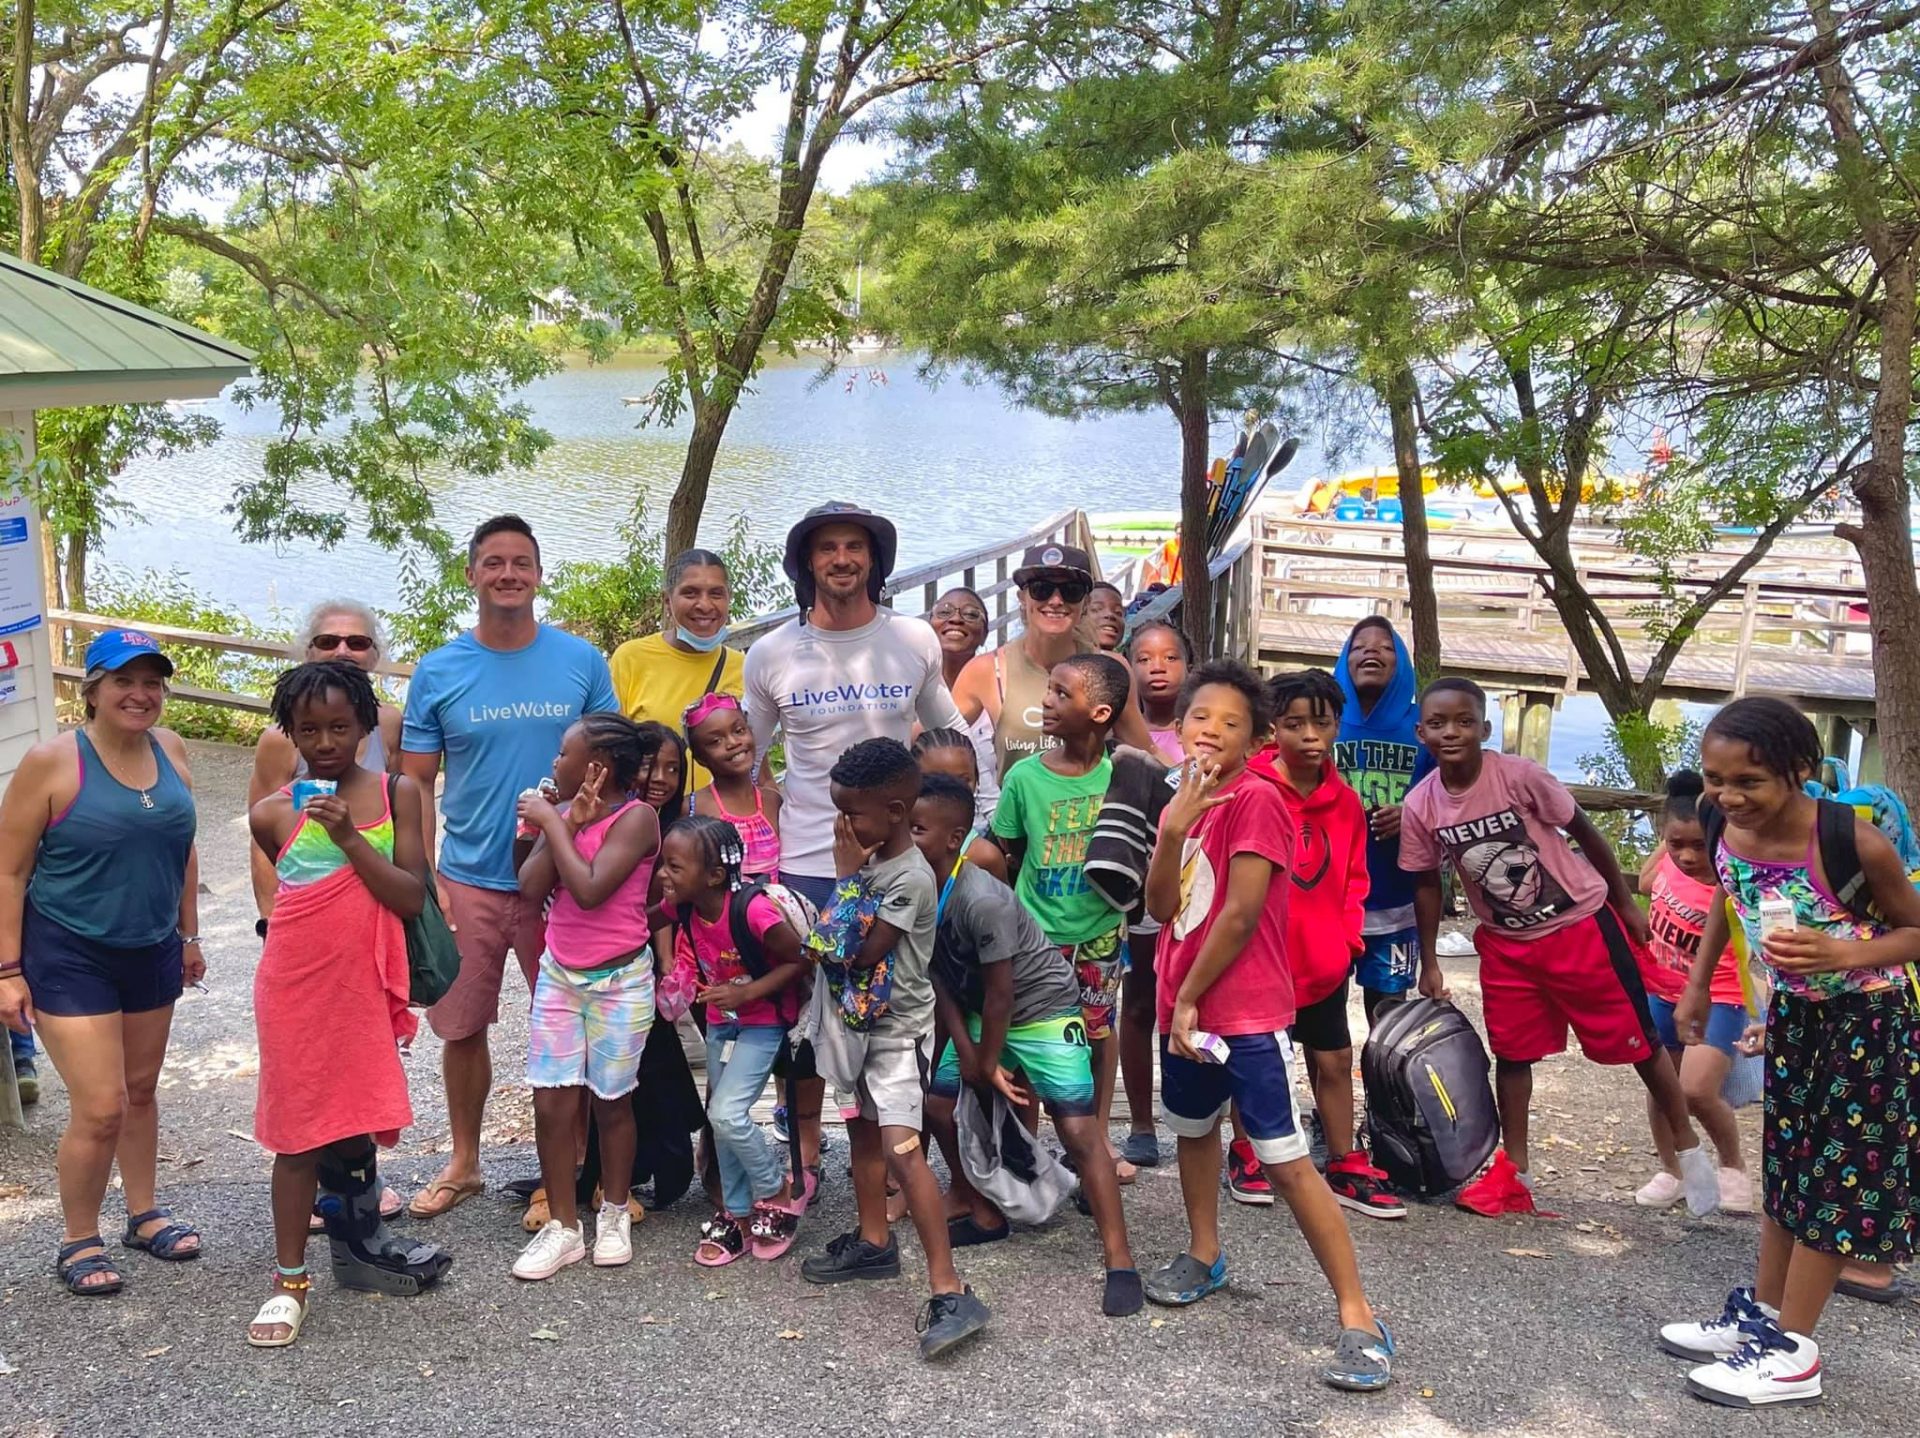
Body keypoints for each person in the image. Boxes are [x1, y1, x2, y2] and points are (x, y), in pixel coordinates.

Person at [1140, 660, 1395, 1392]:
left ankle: (1359, 1316)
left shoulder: (1258, 801)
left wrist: (1189, 997)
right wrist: (1171, 833)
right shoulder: (1180, 801)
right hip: (1181, 1005)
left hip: (1238, 1011)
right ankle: (1203, 1252)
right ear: (1177, 725)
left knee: (1284, 1159)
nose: (1210, 732)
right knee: (1192, 1130)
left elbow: (1242, 913)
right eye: (1199, 718)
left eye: (1230, 723)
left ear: (1256, 740)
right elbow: (1163, 908)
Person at [1659, 698, 1920, 1408]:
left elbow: (1915, 930)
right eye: (1717, 778)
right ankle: (1766, 1316)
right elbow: (1727, 895)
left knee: (1836, 1186)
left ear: (1800, 773)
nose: (1730, 796)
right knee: (1791, 1172)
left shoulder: (1850, 842)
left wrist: (1844, 949)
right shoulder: (1725, 825)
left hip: (1868, 1025)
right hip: (1797, 1021)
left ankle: (1794, 1352)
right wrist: (1696, 987)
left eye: (1751, 782)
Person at [1400, 677, 1719, 1218]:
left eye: (1462, 721)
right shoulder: (1422, 805)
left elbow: (1585, 831)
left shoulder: (1519, 777)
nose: (1450, 732)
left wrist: (1623, 904)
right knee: (1513, 1052)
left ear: (1484, 727)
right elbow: (1426, 882)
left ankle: (1688, 1153)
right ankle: (1515, 1172)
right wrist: (1429, 960)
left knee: (1639, 1042)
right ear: (1421, 732)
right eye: (1437, 724)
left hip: (1579, 926)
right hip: (1506, 945)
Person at [744, 502, 968, 1197]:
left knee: (897, 1009)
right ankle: (806, 1158)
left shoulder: (913, 640)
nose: (842, 560)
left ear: (874, 560)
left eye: (854, 548)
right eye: (827, 549)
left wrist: (972, 830)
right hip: (810, 858)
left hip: (898, 859)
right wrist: (762, 843)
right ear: (806, 564)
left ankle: (899, 1159)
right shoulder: (772, 653)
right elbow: (747, 761)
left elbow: (951, 739)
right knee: (811, 1020)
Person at [400, 514, 619, 1219]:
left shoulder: (580, 661)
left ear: (539, 574)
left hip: (562, 879)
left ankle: (571, 1169)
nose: (507, 575)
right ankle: (465, 1161)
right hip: (470, 876)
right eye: (493, 563)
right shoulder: (439, 670)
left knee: (569, 1024)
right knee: (461, 1026)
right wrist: (427, 872)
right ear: (471, 575)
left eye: (521, 563)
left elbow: (610, 761)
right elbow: (413, 783)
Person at [245, 662, 451, 1347]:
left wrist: (348, 836)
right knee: (297, 1134)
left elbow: (410, 896)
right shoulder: (271, 813)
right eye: (309, 729)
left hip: (362, 986)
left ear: (366, 725)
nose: (326, 741)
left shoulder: (400, 793)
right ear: (291, 733)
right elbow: (298, 912)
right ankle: (289, 1278)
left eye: (340, 726)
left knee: (355, 1115)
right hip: (296, 989)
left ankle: (360, 1247)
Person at [0, 630, 204, 1295]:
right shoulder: (52, 762)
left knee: (140, 1091)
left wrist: (190, 935)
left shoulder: (170, 750)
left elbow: (183, 844)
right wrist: (7, 972)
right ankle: (77, 1238)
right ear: (92, 690)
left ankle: (143, 1215)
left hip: (150, 945)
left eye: (152, 683)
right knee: (101, 1104)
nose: (139, 695)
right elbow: (8, 870)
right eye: (123, 681)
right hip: (69, 948)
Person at [914, 773, 1144, 1316]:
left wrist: (987, 1061)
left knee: (1078, 1128)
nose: (906, 835)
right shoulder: (916, 890)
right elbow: (940, 977)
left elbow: (1002, 993)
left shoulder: (982, 898)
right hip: (977, 1012)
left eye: (918, 827)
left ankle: (1120, 1257)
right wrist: (970, 1061)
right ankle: (984, 1210)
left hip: (1040, 1008)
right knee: (940, 1105)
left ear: (956, 839)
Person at [797, 739, 990, 1359]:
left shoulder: (907, 878)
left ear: (897, 809)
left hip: (896, 1038)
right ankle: (875, 1241)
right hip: (857, 1032)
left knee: (904, 1153)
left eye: (852, 813)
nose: (842, 826)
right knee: (861, 1134)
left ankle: (949, 1287)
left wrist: (845, 878)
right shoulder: (876, 864)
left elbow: (851, 949)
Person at [511, 714, 662, 1280]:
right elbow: (529, 888)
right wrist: (565, 822)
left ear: (596, 768)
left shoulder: (638, 818)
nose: (554, 763)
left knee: (611, 1100)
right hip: (560, 976)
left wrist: (554, 821)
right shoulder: (571, 817)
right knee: (552, 1101)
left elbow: (592, 890)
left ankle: (615, 1212)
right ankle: (564, 1227)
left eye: (563, 754)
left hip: (620, 982)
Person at [1267, 669, 1404, 1220]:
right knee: (1261, 1059)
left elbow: (1354, 878)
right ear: (1272, 727)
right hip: (1263, 962)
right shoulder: (1250, 791)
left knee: (1334, 1057)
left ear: (1336, 726)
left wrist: (1347, 939)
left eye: (1321, 723)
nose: (1309, 736)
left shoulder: (1345, 802)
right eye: (1294, 723)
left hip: (1324, 960)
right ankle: (1250, 1148)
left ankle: (1344, 1158)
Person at [990, 652, 1134, 1181]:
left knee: (1098, 1033)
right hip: (1036, 936)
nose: (1046, 702)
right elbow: (1007, 850)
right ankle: (1029, 1150)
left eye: (1061, 694)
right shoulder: (1024, 778)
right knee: (1028, 1039)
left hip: (1098, 934)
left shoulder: (1124, 775)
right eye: (1047, 689)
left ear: (1099, 713)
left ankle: (1092, 1142)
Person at [656, 816, 809, 1265]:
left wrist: (746, 992)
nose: (663, 875)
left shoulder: (753, 911)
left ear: (715, 876)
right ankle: (737, 1213)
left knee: (727, 1113)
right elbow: (639, 916)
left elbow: (801, 960)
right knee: (718, 1119)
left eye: (674, 867)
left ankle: (775, 1188)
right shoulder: (683, 904)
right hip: (723, 1025)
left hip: (762, 1023)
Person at [1634, 770, 1753, 1214]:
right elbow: (1646, 883)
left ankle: (1732, 1166)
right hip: (1661, 989)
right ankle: (1673, 1169)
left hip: (1718, 994)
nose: (1685, 856)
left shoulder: (1731, 885)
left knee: (1697, 1089)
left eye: (1697, 846)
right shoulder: (1666, 861)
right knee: (1661, 1085)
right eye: (1674, 843)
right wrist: (1667, 844)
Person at [248, 601, 402, 929]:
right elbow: (264, 842)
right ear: (309, 652)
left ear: (374, 656)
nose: (343, 651)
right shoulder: (280, 740)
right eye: (328, 642)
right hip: (307, 912)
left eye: (357, 643)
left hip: (376, 909)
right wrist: (270, 920)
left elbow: (398, 817)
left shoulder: (389, 724)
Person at [952, 544, 1153, 776]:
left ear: (1086, 603)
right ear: (1022, 598)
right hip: (1016, 810)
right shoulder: (986, 670)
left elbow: (1146, 752)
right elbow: (935, 738)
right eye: (1041, 589)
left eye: (1071, 591)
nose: (1056, 601)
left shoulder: (1111, 669)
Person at [1333, 617, 1435, 1023]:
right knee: (1323, 1019)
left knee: (1389, 1016)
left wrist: (1411, 813)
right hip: (1331, 901)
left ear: (1402, 662)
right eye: (1359, 646)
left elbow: (1449, 796)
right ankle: (1329, 1089)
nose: (1371, 651)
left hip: (1396, 902)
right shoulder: (1324, 722)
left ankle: (1383, 1088)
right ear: (1344, 659)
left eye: (1385, 646)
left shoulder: (1422, 728)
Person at [1118, 619, 1189, 1168]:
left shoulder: (1206, 727)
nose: (1157, 667)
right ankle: (1141, 1121)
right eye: (1143, 659)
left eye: (1169, 657)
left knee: (1198, 1001)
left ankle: (1203, 1115)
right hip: (1139, 887)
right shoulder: (1117, 735)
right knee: (1138, 1001)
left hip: (1199, 888)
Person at [609, 548, 746, 792]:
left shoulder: (744, 667)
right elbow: (615, 752)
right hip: (654, 819)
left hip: (722, 822)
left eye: (716, 594)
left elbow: (757, 761)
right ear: (667, 600)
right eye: (690, 593)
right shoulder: (631, 658)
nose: (704, 605)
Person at [685, 693, 780, 879]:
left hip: (772, 907)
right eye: (715, 741)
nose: (733, 743)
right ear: (700, 758)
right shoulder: (692, 807)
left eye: (739, 731)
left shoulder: (773, 801)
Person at [928, 586, 999, 827]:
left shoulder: (998, 690)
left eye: (970, 614)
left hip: (988, 822)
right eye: (944, 612)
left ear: (984, 633)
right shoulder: (912, 688)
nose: (956, 619)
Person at [910, 728, 1009, 883]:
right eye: (936, 780)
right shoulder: (893, 845)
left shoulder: (985, 858)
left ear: (977, 781)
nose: (950, 792)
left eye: (962, 781)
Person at [1087, 582, 1127, 652]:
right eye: (1096, 609)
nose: (1110, 614)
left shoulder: (1124, 661)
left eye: (1118, 612)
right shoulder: (1065, 659)